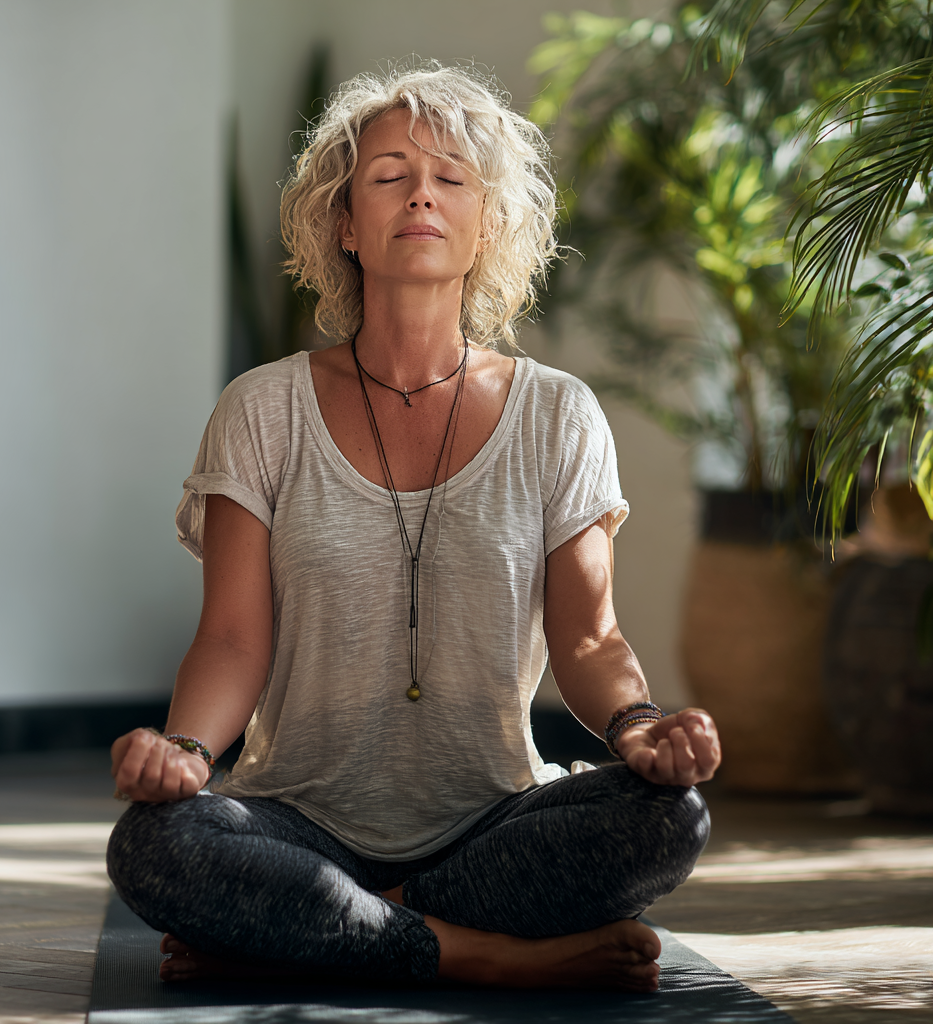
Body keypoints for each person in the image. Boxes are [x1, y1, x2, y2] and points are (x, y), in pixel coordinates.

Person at [107, 63, 720, 992]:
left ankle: (329, 929)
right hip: (297, 819)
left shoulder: (559, 414)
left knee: (671, 818)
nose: (422, 193)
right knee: (157, 844)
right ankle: (479, 953)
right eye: (390, 175)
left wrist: (640, 727)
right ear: (346, 224)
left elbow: (588, 632)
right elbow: (232, 637)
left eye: (451, 177)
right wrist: (185, 757)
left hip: (493, 820)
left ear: (487, 224)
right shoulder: (262, 408)